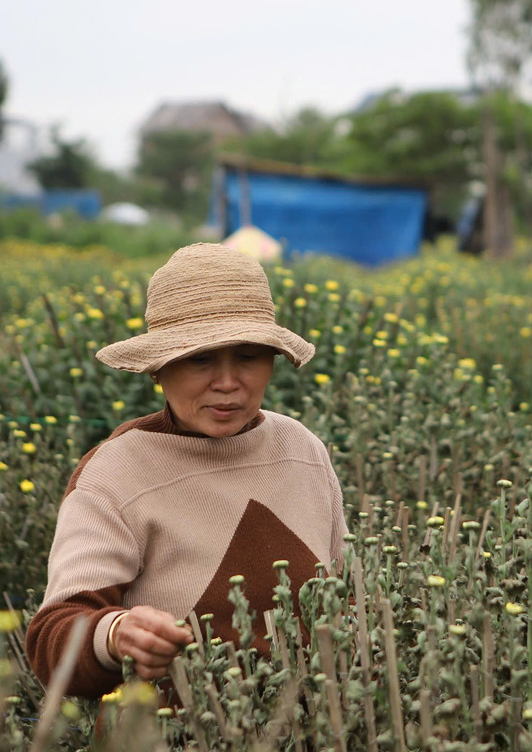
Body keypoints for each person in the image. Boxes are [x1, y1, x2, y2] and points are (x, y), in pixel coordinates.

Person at [25, 243, 348, 698]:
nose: (228, 382)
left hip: (311, 747)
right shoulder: (117, 472)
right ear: (157, 368)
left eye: (249, 356)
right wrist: (116, 635)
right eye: (200, 358)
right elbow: (52, 642)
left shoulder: (300, 449)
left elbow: (346, 595)